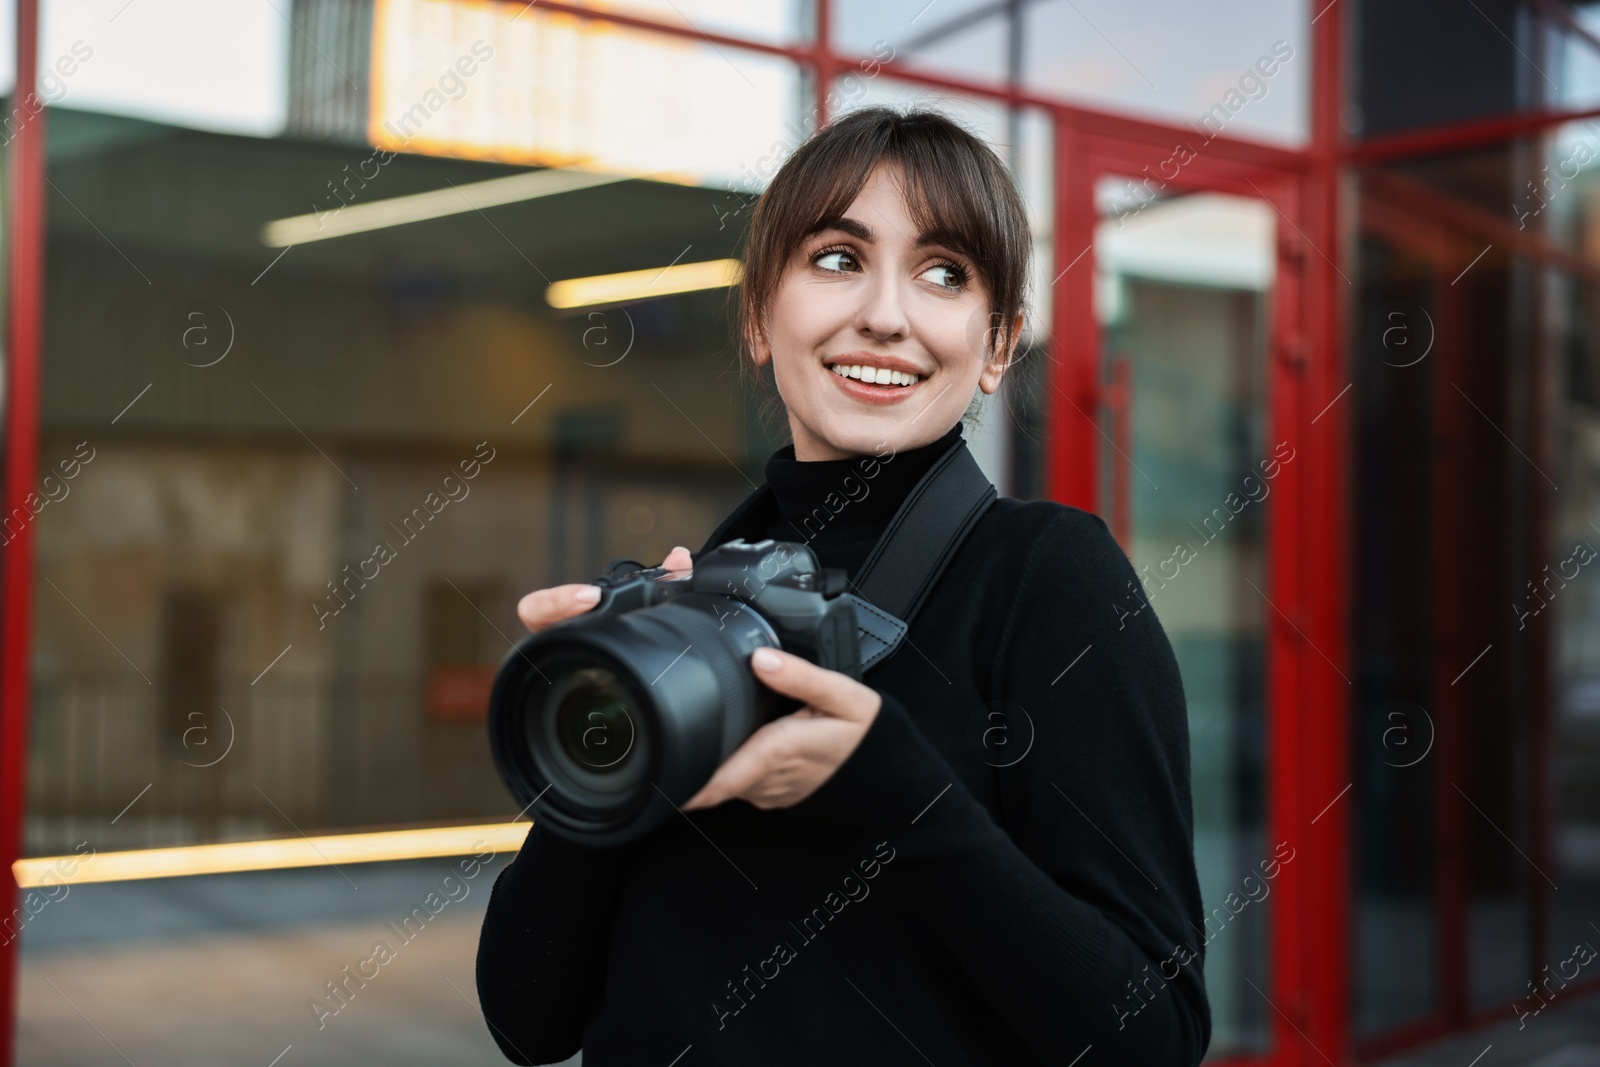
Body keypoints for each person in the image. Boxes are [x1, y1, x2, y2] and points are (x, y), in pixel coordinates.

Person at [476, 106, 1210, 1066]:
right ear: (755, 316)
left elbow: (1152, 1038)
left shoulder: (1049, 578)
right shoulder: (687, 599)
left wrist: (897, 792)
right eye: (836, 258)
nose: (886, 314)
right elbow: (529, 1019)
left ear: (997, 347)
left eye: (944, 273)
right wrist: (585, 734)